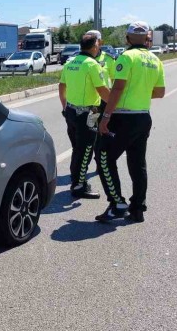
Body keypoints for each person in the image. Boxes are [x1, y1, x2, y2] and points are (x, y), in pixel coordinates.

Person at [96, 21, 166, 222]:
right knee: (137, 163)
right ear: (147, 39)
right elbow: (160, 92)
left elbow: (117, 89)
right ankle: (138, 208)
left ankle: (117, 204)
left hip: (122, 118)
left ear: (127, 39)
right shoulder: (155, 60)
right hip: (143, 117)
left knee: (103, 158)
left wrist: (106, 116)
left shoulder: (126, 57)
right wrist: (140, 92)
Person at [58, 33, 110, 199]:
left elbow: (61, 86)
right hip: (90, 113)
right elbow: (103, 91)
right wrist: (117, 105)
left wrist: (65, 106)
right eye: (98, 45)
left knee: (77, 149)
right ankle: (79, 186)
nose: (99, 48)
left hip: (71, 111)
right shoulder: (92, 65)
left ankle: (77, 180)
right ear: (94, 46)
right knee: (86, 149)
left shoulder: (71, 62)